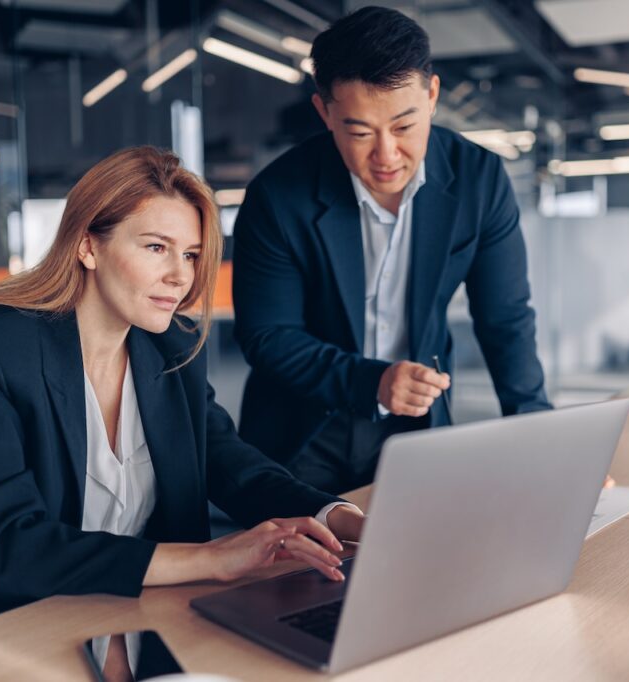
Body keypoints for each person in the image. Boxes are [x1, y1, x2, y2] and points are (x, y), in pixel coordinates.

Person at [0, 147, 364, 677]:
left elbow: (230, 463)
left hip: (125, 614)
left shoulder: (170, 347)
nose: (180, 276)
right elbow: (8, 545)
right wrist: (212, 560)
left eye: (190, 255)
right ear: (88, 245)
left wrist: (335, 516)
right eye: (157, 247)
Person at [232, 6, 552, 495]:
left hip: (417, 423)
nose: (386, 155)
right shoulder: (279, 196)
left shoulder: (478, 181)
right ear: (325, 112)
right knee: (303, 567)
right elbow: (269, 335)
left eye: (404, 127)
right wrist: (371, 382)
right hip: (301, 427)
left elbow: (505, 317)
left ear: (432, 96)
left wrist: (539, 437)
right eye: (360, 132)